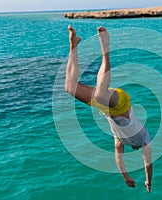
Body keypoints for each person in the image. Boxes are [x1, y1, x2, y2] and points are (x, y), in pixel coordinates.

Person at [65, 25, 152, 193]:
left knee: (70, 87)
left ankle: (73, 44)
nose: (134, 149)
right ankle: (105, 47)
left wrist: (125, 177)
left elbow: (118, 160)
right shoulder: (144, 139)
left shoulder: (119, 140)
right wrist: (148, 180)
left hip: (104, 107)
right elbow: (147, 162)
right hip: (121, 102)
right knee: (99, 94)